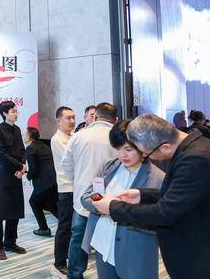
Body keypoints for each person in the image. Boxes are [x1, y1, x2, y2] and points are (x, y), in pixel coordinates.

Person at [92, 114, 210, 279]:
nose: (147, 158)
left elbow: (164, 213)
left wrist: (113, 207)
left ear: (165, 146)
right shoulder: (197, 146)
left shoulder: (194, 158)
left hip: (197, 254)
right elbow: (181, 195)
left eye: (146, 153)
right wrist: (142, 195)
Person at [81, 120, 164, 279]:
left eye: (128, 149)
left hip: (135, 249)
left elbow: (159, 217)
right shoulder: (109, 167)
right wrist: (101, 203)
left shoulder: (157, 178)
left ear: (142, 147)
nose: (122, 155)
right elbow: (89, 195)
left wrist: (115, 207)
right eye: (118, 149)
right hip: (103, 243)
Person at [61, 102, 117, 279]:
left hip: (83, 196)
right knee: (110, 239)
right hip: (110, 198)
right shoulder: (118, 137)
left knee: (78, 238)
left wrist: (79, 181)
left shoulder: (78, 136)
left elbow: (66, 165)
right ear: (115, 119)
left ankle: (75, 274)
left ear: (96, 116)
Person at [0, 100, 26, 260]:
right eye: (13, 111)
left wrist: (22, 168)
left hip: (17, 174)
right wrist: (20, 165)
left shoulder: (17, 129)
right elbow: (0, 154)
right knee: (0, 211)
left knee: (14, 209)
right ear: (4, 113)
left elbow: (22, 150)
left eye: (16, 111)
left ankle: (10, 242)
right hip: (4, 174)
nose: (16, 114)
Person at [50, 106, 76, 275]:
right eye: (68, 118)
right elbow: (73, 161)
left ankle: (71, 259)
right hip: (67, 188)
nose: (72, 121)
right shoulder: (57, 139)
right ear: (58, 121)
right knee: (65, 227)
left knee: (75, 227)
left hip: (77, 187)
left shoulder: (73, 136)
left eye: (73, 117)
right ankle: (59, 262)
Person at [24, 127, 58, 237]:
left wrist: (27, 175)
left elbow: (33, 169)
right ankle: (69, 225)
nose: (23, 136)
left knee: (33, 202)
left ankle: (44, 229)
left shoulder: (30, 149)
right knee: (52, 206)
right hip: (52, 182)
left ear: (29, 137)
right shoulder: (44, 146)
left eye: (25, 134)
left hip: (43, 184)